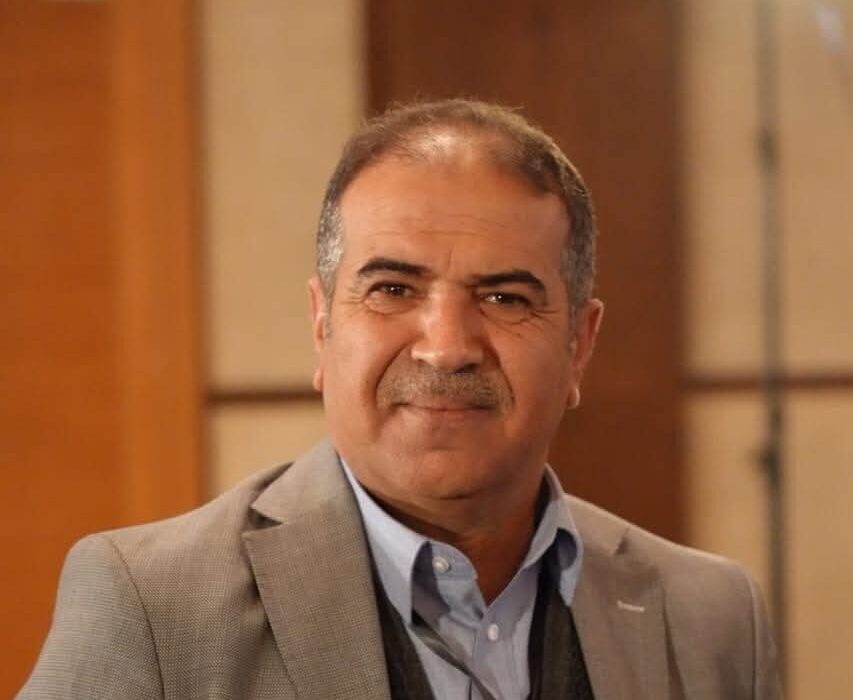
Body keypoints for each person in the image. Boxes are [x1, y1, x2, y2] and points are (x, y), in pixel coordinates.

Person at [18, 100, 781, 699]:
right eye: (391, 289)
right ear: (322, 325)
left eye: (505, 297)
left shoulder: (712, 618)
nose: (445, 346)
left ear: (578, 343)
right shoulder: (155, 606)